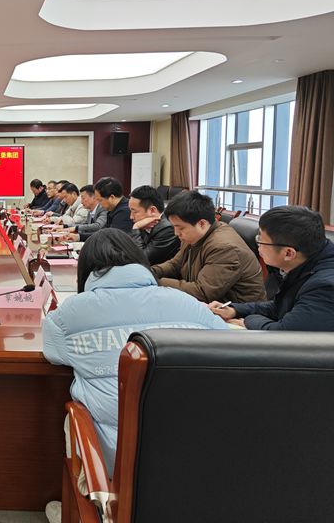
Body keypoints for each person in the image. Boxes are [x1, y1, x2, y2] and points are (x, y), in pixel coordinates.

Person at [42, 228, 228, 523]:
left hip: (114, 463)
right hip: (197, 450)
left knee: (74, 417)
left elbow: (54, 354)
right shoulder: (186, 303)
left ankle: (91, 509)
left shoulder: (70, 313)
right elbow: (228, 347)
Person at [209, 205, 334, 330]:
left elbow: (285, 332)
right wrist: (235, 310)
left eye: (261, 240)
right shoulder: (307, 261)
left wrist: (249, 321)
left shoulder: (324, 287)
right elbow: (281, 307)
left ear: (288, 253)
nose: (258, 245)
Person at [151, 190, 265, 303]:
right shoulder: (194, 235)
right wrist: (149, 272)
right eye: (174, 227)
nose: (176, 233)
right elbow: (175, 264)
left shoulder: (224, 248)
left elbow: (202, 292)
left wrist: (156, 282)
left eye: (180, 228)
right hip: (209, 305)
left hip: (236, 310)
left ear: (202, 223)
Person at [66, 177, 131, 241]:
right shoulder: (113, 209)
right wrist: (79, 237)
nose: (99, 204)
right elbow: (103, 233)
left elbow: (111, 238)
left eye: (100, 200)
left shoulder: (124, 212)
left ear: (111, 197)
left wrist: (79, 237)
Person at [128, 184, 180, 265]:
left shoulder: (168, 229)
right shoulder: (144, 223)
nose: (131, 217)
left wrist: (136, 228)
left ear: (152, 210)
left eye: (135, 212)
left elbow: (141, 259)